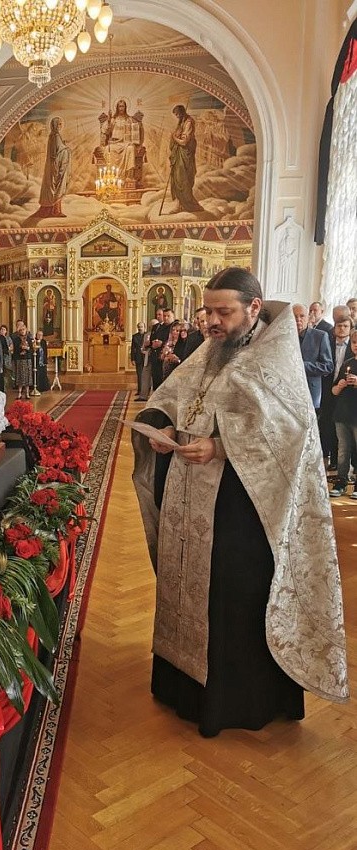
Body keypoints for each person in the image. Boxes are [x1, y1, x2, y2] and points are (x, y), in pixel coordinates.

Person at [132, 266, 348, 738]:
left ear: (253, 308)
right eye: (207, 310)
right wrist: (162, 425)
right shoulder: (212, 349)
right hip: (189, 493)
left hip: (243, 507)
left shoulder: (274, 356)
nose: (212, 321)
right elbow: (173, 396)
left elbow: (290, 433)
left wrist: (221, 447)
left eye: (223, 312)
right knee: (186, 585)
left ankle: (233, 703)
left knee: (232, 595)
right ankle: (182, 688)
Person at [329, 328, 357, 498]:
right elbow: (333, 391)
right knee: (342, 450)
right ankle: (341, 481)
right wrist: (339, 387)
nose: (356, 345)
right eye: (354, 342)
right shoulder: (347, 362)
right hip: (342, 414)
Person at [293, 303, 333, 412]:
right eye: (294, 316)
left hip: (310, 392)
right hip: (289, 391)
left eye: (302, 316)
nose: (298, 319)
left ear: (308, 317)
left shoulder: (320, 336)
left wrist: (303, 365)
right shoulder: (285, 337)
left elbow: (328, 366)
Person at [97, 99, 145, 188]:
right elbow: (106, 131)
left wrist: (138, 127)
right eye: (120, 106)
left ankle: (129, 176)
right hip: (114, 143)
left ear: (125, 107)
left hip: (126, 143)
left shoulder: (129, 119)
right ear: (117, 108)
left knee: (130, 148)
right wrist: (108, 120)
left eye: (123, 106)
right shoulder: (113, 119)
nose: (121, 108)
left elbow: (136, 131)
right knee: (108, 149)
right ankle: (113, 176)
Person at [169, 105, 203, 213]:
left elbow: (184, 142)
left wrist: (174, 138)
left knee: (183, 180)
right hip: (179, 155)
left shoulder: (188, 122)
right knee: (177, 179)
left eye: (178, 114)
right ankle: (180, 205)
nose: (177, 116)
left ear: (182, 112)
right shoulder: (181, 123)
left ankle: (189, 205)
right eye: (175, 115)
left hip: (185, 155)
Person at [36, 117, 70, 218]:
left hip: (53, 166)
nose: (60, 126)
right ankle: (55, 211)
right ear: (54, 125)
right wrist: (66, 149)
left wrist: (63, 146)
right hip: (56, 166)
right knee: (57, 187)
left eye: (61, 124)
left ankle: (56, 210)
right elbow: (55, 153)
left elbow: (57, 149)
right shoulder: (55, 136)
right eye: (59, 124)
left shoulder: (53, 136)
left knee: (55, 187)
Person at [11, 322, 33, 400]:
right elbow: (15, 350)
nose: (22, 331)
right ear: (19, 331)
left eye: (24, 329)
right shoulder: (16, 339)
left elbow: (32, 350)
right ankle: (19, 393)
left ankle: (27, 393)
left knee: (27, 377)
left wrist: (27, 348)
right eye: (21, 330)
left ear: (26, 330)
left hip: (27, 359)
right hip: (19, 359)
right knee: (20, 376)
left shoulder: (29, 339)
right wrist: (21, 348)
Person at [131, 322, 146, 400]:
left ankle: (145, 391)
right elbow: (132, 348)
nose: (140, 328)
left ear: (144, 327)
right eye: (139, 327)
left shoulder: (147, 335)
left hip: (146, 357)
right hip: (138, 358)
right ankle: (139, 391)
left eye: (141, 327)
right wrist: (132, 359)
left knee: (146, 375)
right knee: (139, 375)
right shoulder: (134, 336)